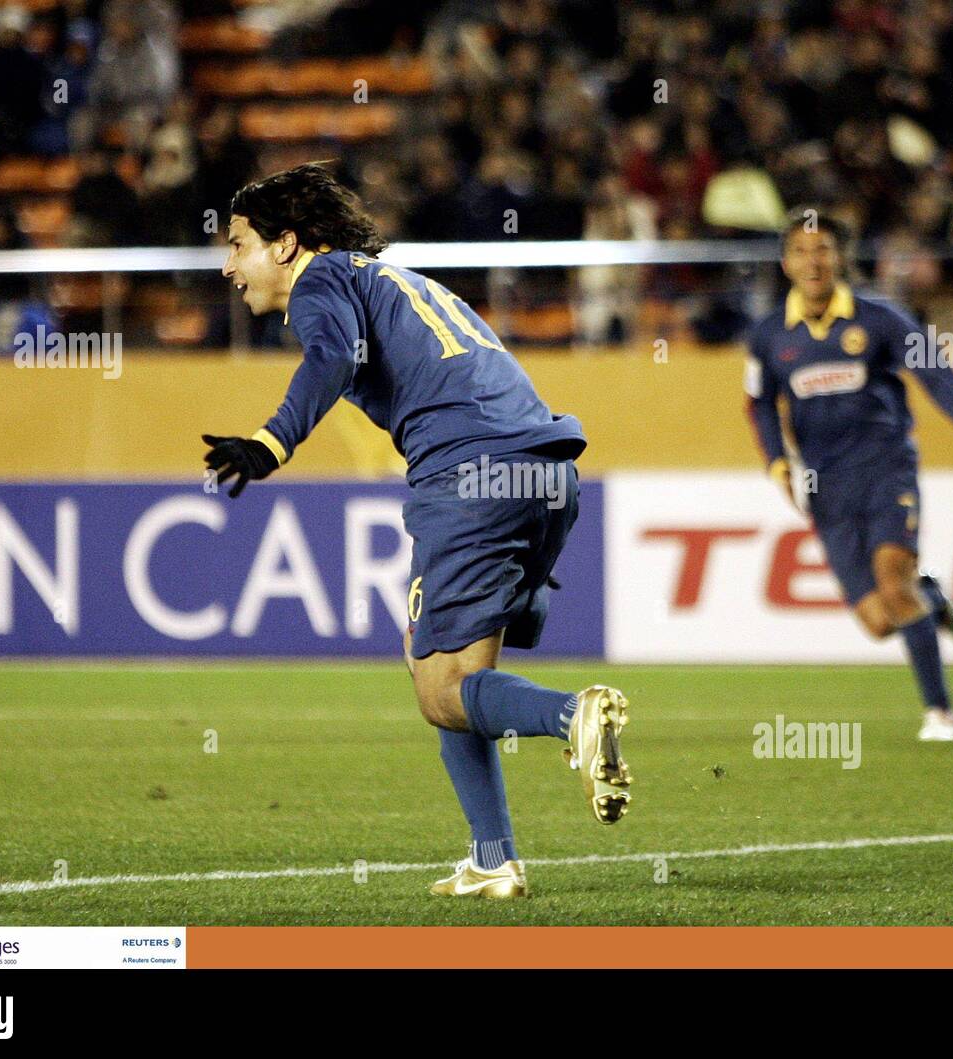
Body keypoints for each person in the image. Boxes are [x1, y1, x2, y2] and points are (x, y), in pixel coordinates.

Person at [201, 163, 631, 899]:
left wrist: (271, 442)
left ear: (285, 245)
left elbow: (333, 357)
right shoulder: (398, 281)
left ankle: (573, 715)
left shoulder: (323, 281)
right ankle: (494, 858)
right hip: (546, 469)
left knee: (439, 691)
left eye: (237, 244)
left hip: (468, 475)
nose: (227, 265)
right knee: (442, 666)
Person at [745, 209, 953, 742]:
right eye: (801, 251)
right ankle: (934, 595)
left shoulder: (881, 319)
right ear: (786, 262)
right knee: (881, 620)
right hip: (826, 489)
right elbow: (759, 403)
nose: (813, 261)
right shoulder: (769, 336)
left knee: (892, 584)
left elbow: (938, 378)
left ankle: (941, 713)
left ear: (840, 257)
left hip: (886, 472)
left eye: (823, 249)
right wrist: (776, 461)